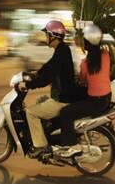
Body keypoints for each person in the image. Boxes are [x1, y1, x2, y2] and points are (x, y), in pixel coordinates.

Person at [18, 20, 85, 159]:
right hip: (63, 96)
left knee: (30, 113)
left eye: (47, 35)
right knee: (40, 100)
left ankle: (41, 147)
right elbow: (49, 67)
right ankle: (48, 135)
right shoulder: (61, 50)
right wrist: (36, 73)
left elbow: (48, 77)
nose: (45, 38)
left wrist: (29, 85)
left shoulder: (62, 51)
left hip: (62, 99)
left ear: (53, 35)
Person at [53, 24, 112, 158]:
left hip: (96, 102)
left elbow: (82, 81)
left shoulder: (85, 63)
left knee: (65, 112)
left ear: (86, 44)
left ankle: (71, 145)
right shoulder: (106, 55)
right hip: (106, 99)